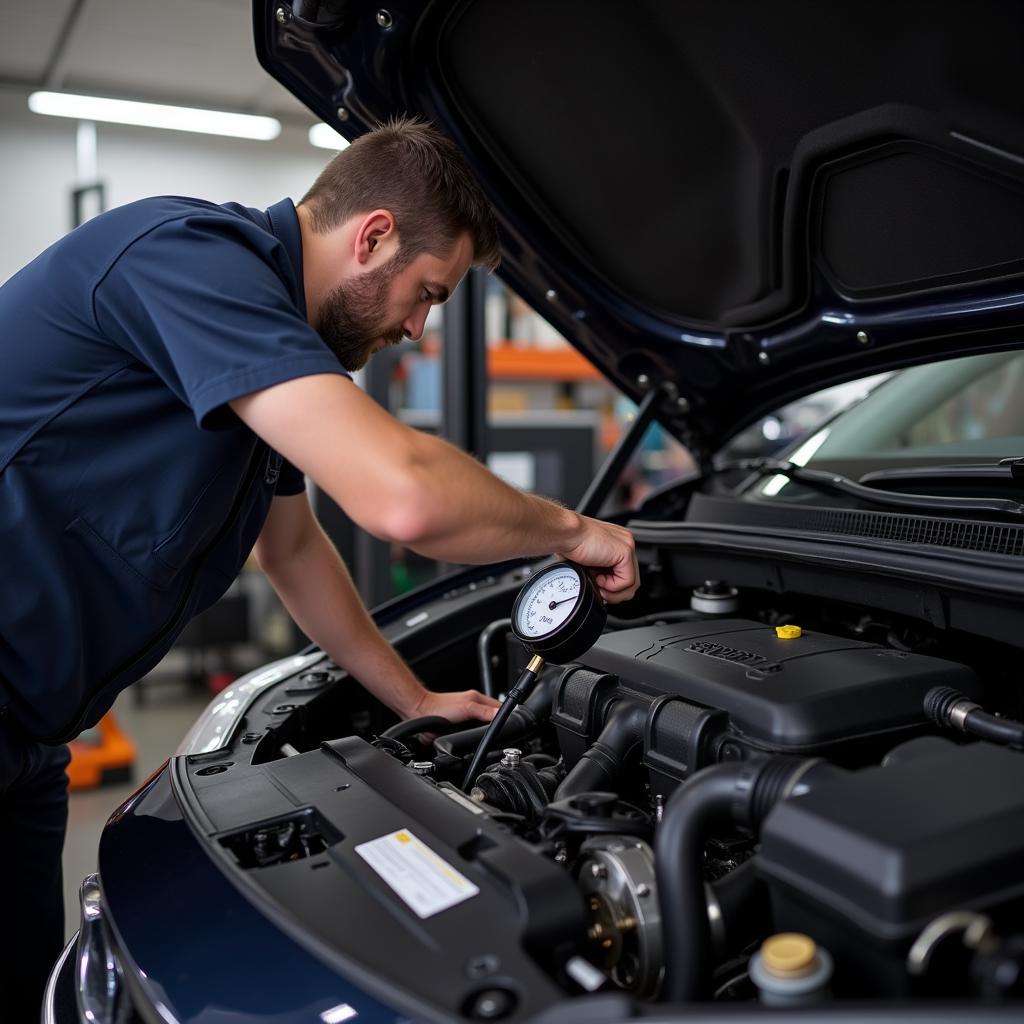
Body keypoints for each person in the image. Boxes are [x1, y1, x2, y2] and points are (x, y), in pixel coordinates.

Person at [0, 117, 638, 1015]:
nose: (418, 327)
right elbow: (403, 499)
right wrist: (572, 531)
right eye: (427, 293)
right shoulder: (189, 256)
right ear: (373, 234)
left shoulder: (267, 345)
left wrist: (411, 699)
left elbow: (293, 545)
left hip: (27, 739)